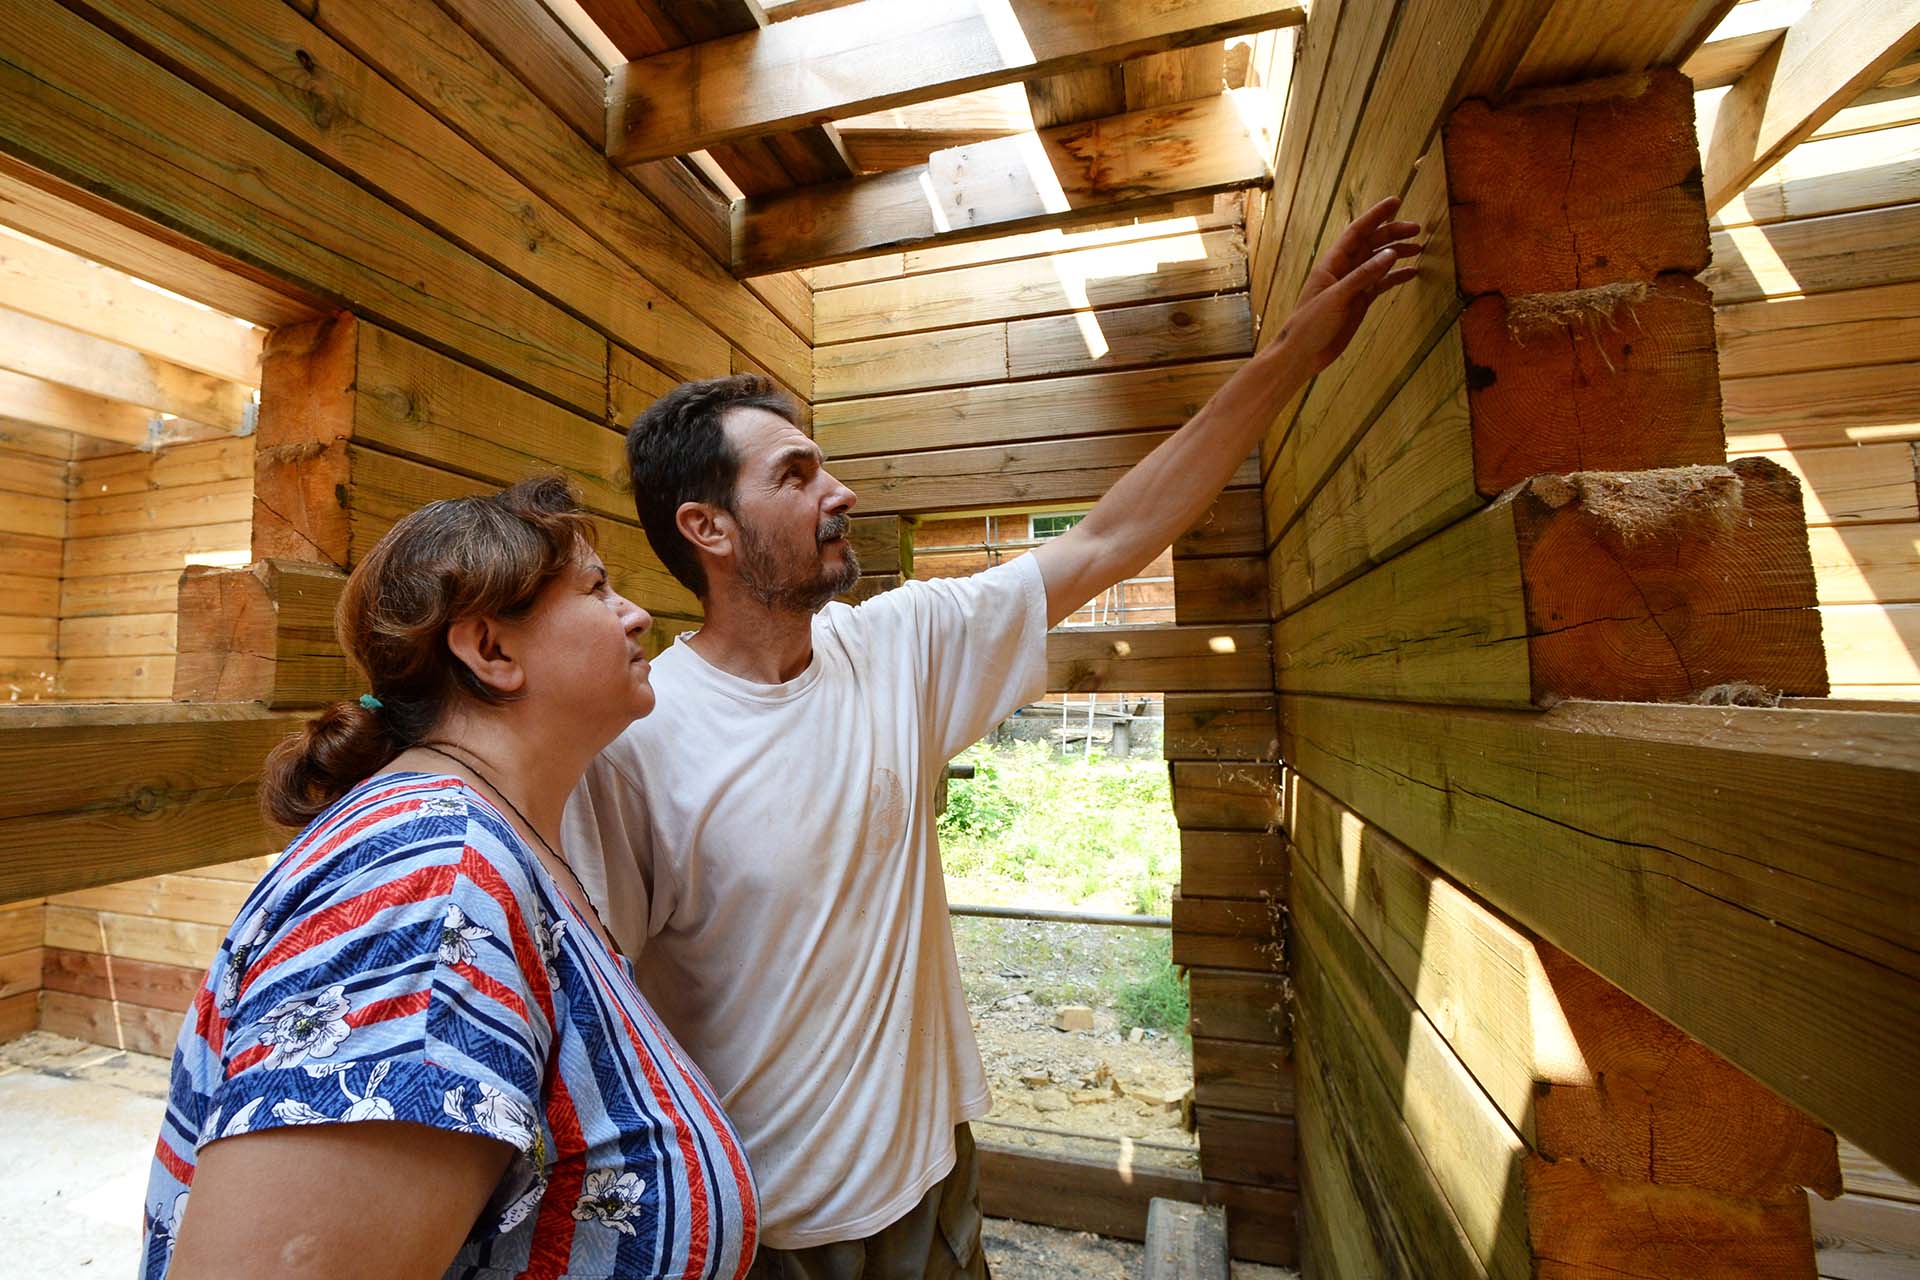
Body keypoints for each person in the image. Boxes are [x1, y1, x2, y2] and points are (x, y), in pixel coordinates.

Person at [562, 199, 1422, 1278]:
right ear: (708, 529)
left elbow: (1112, 533)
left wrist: (1297, 350)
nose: (842, 490)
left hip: (936, 1179)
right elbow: (599, 1005)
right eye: (795, 474)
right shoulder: (641, 738)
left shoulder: (900, 645)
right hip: (768, 1228)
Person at [142, 476, 758, 1280]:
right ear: (491, 651)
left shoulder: (490, 842)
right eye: (598, 589)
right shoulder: (431, 879)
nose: (636, 614)